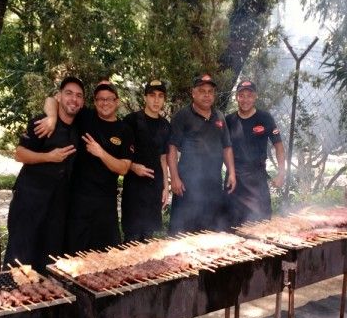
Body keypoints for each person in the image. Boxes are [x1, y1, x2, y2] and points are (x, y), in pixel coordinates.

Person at [38, 80, 134, 253]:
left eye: (109, 99)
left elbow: (124, 168)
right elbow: (51, 100)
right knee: (74, 257)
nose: (105, 103)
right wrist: (52, 117)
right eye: (100, 99)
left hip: (106, 204)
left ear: (117, 101)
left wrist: (101, 152)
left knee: (108, 257)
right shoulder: (85, 117)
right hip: (78, 202)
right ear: (95, 102)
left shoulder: (124, 130)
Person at [3, 76, 84, 272]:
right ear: (59, 96)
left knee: (48, 261)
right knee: (20, 259)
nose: (73, 99)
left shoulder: (79, 125)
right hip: (30, 201)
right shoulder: (43, 123)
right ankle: (11, 299)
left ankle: (45, 301)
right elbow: (19, 154)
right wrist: (49, 157)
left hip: (58, 206)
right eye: (69, 93)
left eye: (79, 96)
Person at [167, 74, 236, 234]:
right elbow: (172, 149)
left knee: (210, 235)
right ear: (193, 93)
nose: (207, 95)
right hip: (187, 188)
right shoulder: (182, 116)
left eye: (210, 91)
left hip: (213, 186)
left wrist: (231, 172)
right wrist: (175, 178)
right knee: (182, 234)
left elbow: (227, 147)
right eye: (202, 91)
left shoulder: (219, 117)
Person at [224, 79, 285, 226]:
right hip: (234, 178)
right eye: (241, 95)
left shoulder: (265, 118)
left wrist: (281, 173)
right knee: (230, 225)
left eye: (249, 95)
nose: (245, 99)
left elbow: (279, 147)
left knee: (262, 223)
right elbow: (225, 150)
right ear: (236, 97)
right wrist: (230, 173)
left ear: (255, 96)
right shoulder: (229, 120)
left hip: (257, 178)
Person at [121, 79, 171, 242]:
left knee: (148, 239)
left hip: (153, 189)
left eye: (160, 96)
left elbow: (163, 158)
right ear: (145, 98)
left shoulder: (165, 125)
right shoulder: (132, 121)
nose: (156, 100)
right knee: (132, 240)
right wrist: (134, 167)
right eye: (152, 95)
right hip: (134, 189)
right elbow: (120, 154)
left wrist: (165, 186)